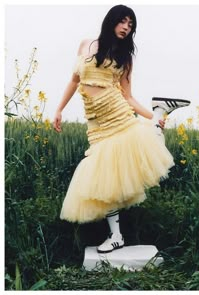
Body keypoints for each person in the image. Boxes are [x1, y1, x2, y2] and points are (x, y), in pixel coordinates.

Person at [53, 5, 184, 254]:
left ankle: (158, 113)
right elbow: (74, 80)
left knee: (142, 144)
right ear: (111, 21)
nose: (126, 27)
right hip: (96, 123)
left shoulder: (125, 57)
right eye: (123, 21)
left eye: (131, 24)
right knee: (105, 178)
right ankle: (116, 237)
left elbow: (128, 97)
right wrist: (59, 109)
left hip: (117, 113)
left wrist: (146, 114)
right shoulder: (85, 44)